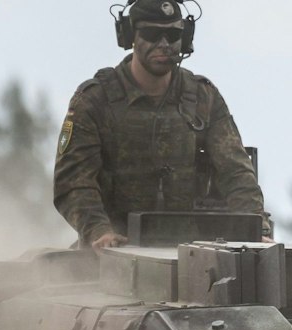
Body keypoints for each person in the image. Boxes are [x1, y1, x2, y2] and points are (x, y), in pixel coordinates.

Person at [53, 0, 269, 249]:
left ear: (185, 37)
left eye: (173, 34)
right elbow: (73, 182)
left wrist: (256, 230)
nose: (164, 44)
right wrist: (98, 231)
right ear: (130, 36)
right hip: (112, 250)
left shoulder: (202, 98)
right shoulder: (95, 100)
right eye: (152, 34)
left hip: (190, 252)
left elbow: (236, 173)